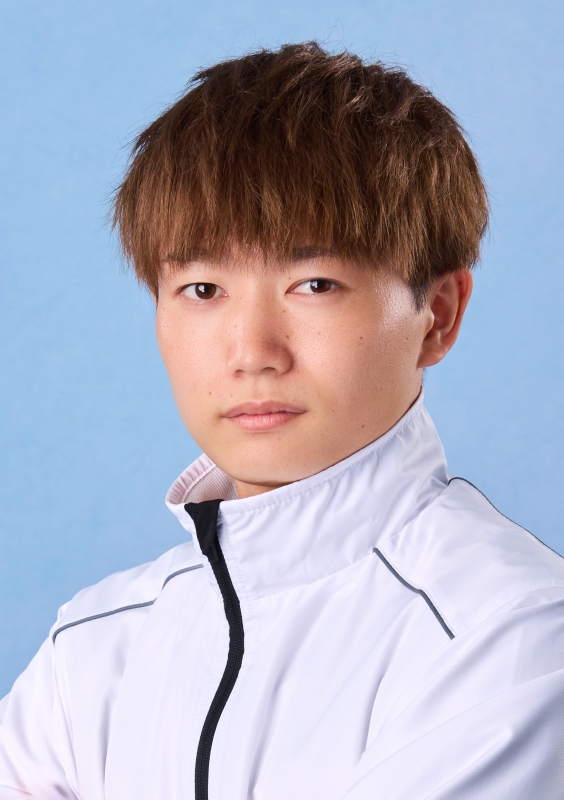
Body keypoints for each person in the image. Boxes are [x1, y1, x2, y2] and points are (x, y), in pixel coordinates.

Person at [1, 41, 563, 800]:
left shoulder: (512, 633)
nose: (252, 353)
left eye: (315, 284)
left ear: (438, 314)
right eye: (203, 290)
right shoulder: (91, 647)